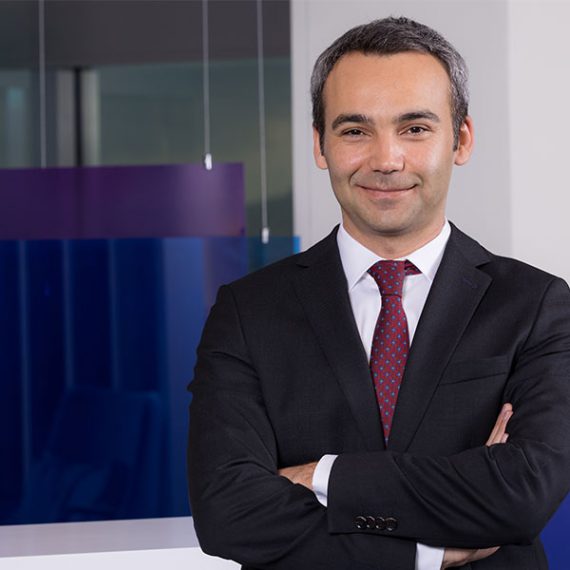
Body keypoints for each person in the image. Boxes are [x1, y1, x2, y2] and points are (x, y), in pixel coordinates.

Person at [187, 16, 570, 569]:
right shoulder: (248, 312)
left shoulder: (537, 305)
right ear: (320, 144)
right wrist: (426, 552)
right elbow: (228, 513)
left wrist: (324, 475)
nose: (386, 160)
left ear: (460, 139)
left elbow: (522, 494)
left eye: (414, 128)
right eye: (355, 131)